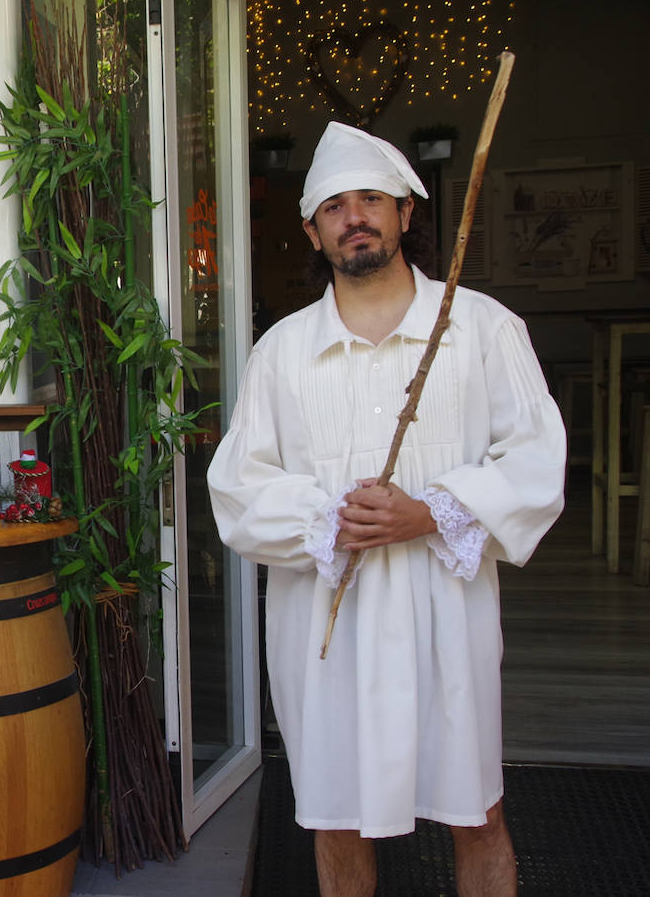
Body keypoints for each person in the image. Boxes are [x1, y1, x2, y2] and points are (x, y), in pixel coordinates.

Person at [207, 122, 566, 897]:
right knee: (335, 815)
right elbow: (238, 486)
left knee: (477, 811)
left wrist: (433, 511)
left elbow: (537, 459)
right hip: (324, 632)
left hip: (447, 613)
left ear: (406, 213)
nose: (355, 215)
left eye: (372, 198)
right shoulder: (282, 352)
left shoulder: (481, 328)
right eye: (334, 205)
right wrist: (331, 516)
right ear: (312, 229)